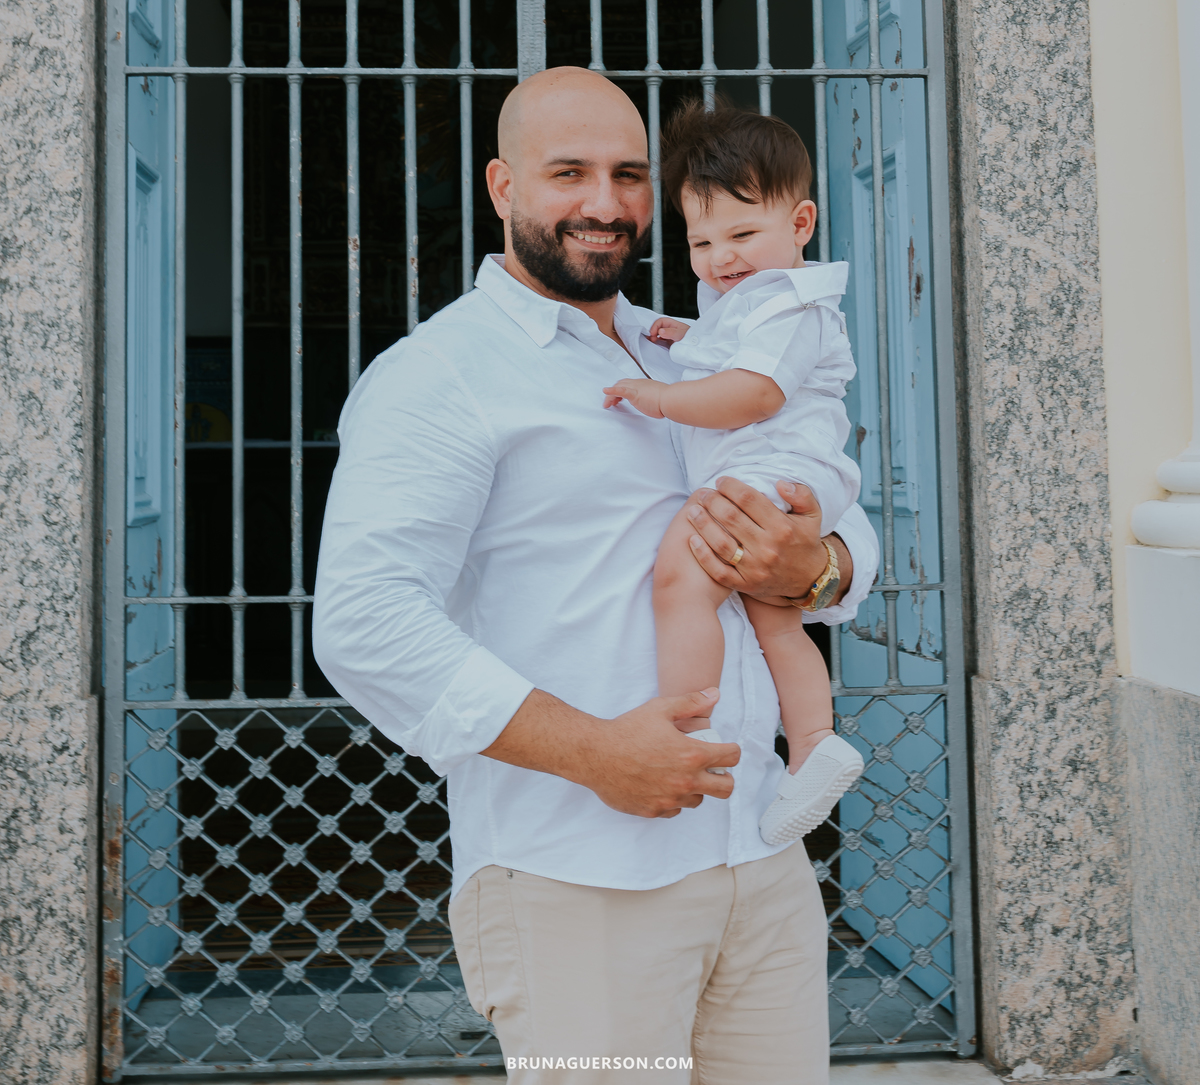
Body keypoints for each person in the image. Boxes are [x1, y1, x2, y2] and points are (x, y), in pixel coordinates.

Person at [313, 67, 879, 1082]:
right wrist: (595, 753)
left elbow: (834, 518)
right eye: (568, 172)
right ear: (501, 187)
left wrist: (821, 568)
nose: (605, 202)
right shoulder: (439, 377)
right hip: (581, 880)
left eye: (627, 175)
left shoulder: (703, 347)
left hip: (760, 860)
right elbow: (364, 621)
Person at [603, 98, 865, 848]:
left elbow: (753, 390)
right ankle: (814, 741)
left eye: (744, 233)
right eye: (702, 240)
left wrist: (660, 392)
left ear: (802, 224)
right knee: (773, 614)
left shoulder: (788, 304)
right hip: (783, 478)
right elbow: (734, 347)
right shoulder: (749, 303)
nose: (721, 257)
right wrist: (687, 335)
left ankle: (685, 721)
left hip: (764, 470)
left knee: (680, 580)